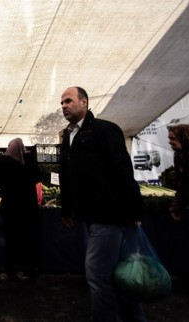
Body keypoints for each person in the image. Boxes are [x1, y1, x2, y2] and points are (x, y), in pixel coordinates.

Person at [58, 86, 146, 322]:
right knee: (117, 275)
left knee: (97, 274)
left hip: (107, 214)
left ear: (84, 102)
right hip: (89, 216)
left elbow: (122, 171)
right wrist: (67, 209)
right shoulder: (68, 136)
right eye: (62, 103)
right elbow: (67, 176)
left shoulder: (105, 130)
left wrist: (134, 209)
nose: (63, 106)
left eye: (68, 101)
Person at [0, 138, 42, 281]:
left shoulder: (4, 161)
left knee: (12, 238)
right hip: (29, 206)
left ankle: (12, 270)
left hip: (11, 206)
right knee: (30, 237)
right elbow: (37, 178)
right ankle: (31, 269)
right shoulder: (30, 159)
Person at [166, 124, 189, 222]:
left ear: (184, 137)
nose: (170, 142)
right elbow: (182, 184)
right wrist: (176, 207)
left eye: (173, 138)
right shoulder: (180, 156)